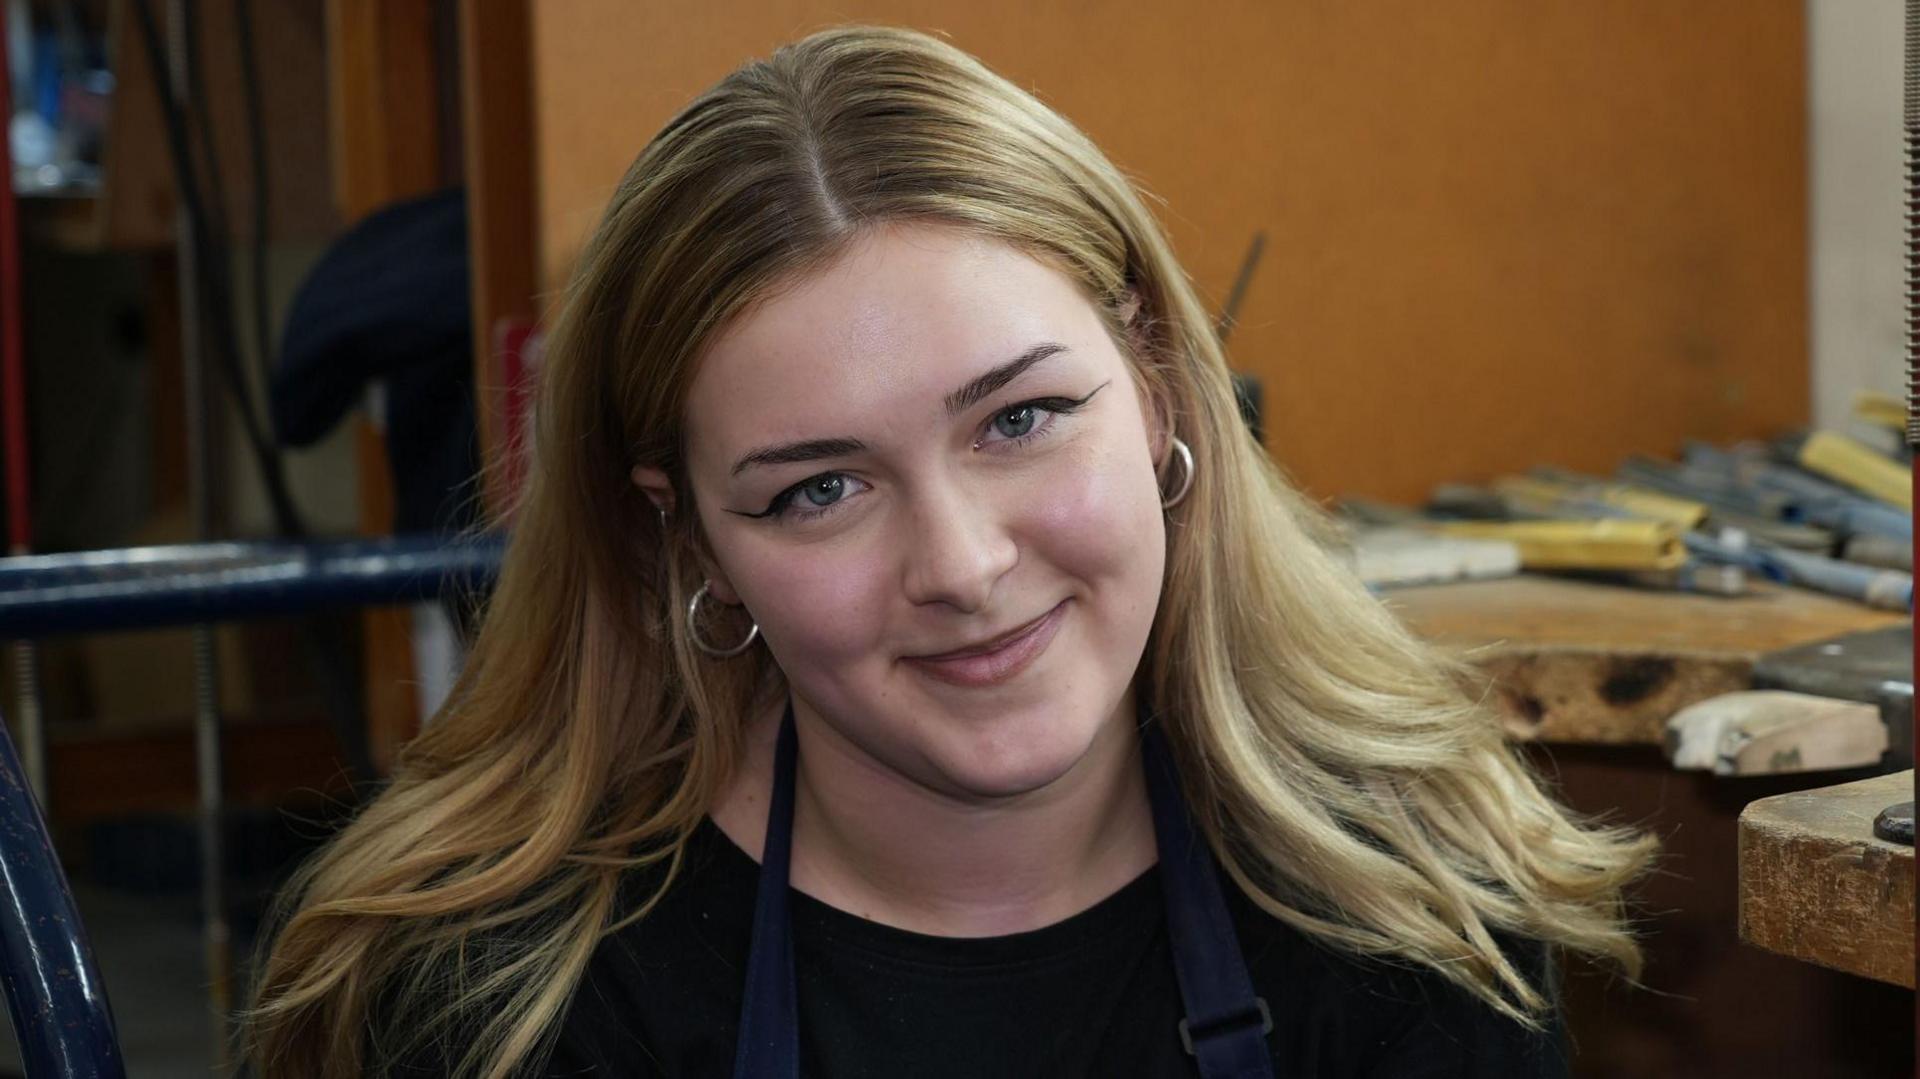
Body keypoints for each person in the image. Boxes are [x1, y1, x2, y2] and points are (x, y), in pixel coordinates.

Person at [242, 24, 1659, 1079]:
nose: (964, 564)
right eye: (818, 493)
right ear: (688, 537)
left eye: (1022, 418)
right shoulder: (510, 1005)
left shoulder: (1410, 907)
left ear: (1158, 381)